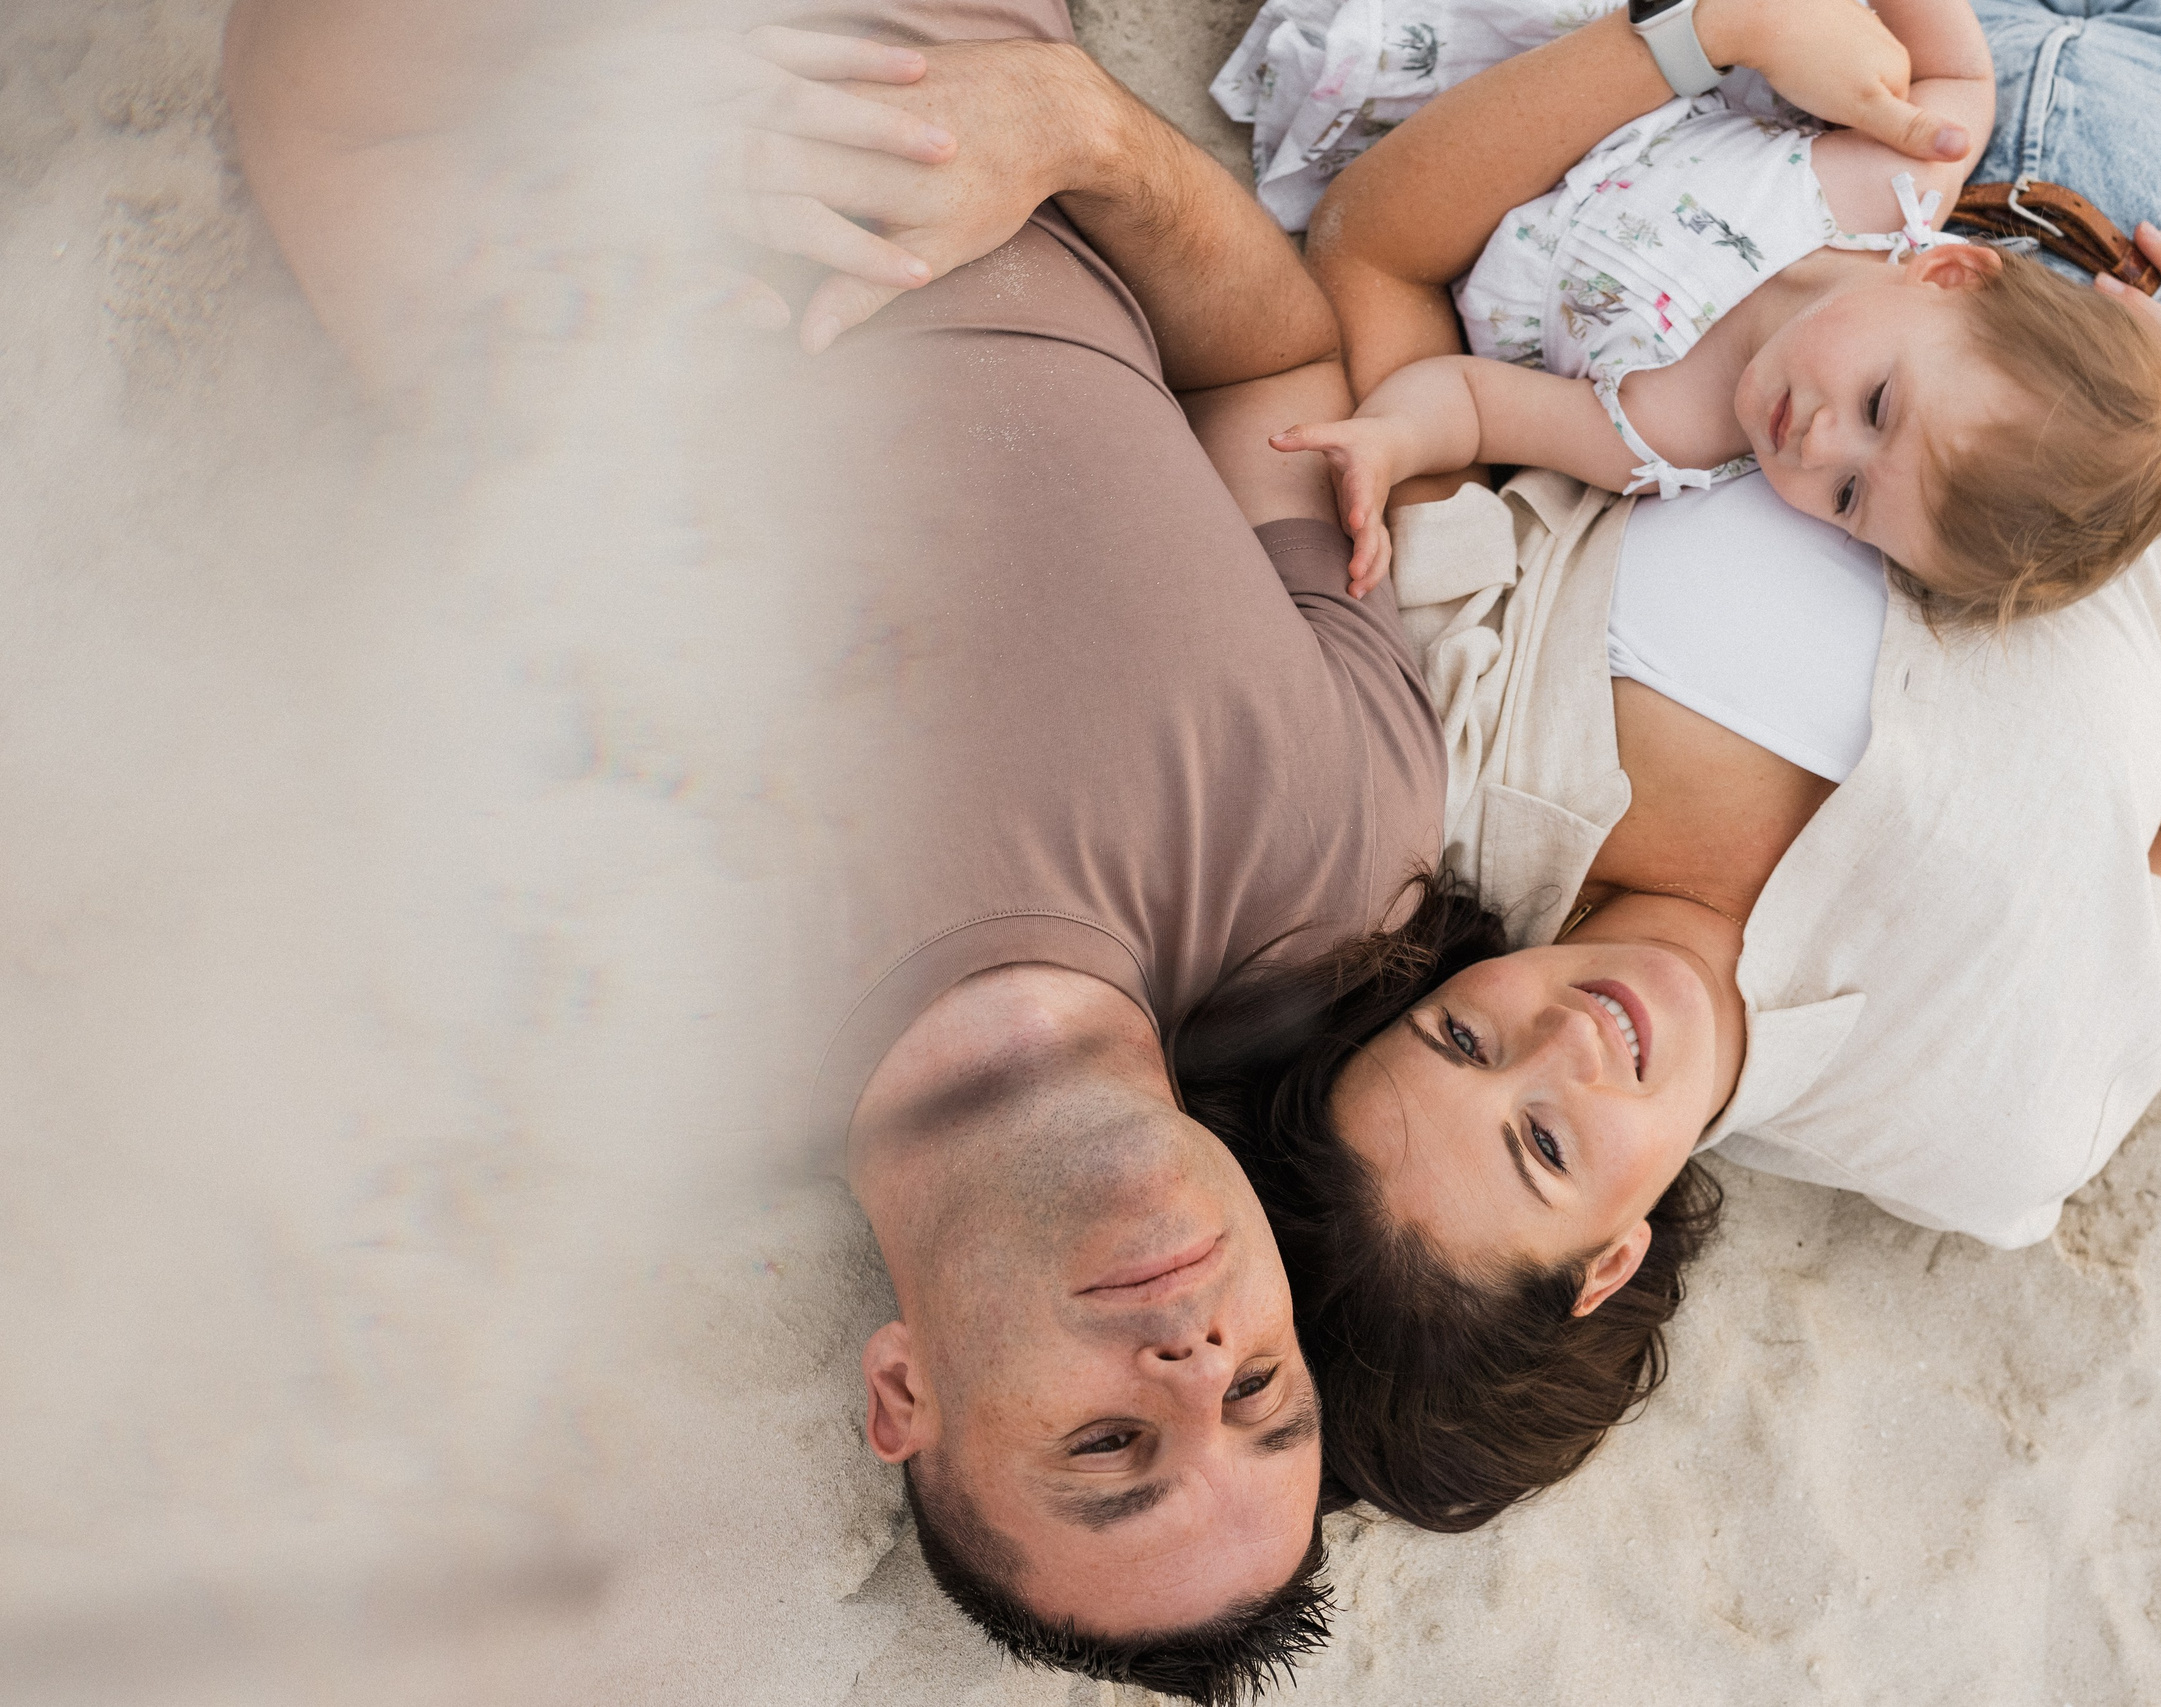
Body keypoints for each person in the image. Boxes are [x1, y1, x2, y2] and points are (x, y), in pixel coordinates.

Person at [225, 0, 1971, 1691]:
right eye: (1264, 1391)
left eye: (1111, 1440)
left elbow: (336, 127)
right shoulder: (1333, 844)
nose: (1194, 1357)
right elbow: (1280, 360)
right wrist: (1078, 136)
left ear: (902, 1394)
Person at [1176, 0, 2161, 1532]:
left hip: (1882, 83)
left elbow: (1380, 248)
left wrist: (1695, 33)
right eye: (1541, 1142)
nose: (1562, 1038)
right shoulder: (1973, 1115)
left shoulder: (1459, 746)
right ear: (1609, 1260)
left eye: (1462, 1037)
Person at [1269, 0, 2161, 627]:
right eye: (1879, 407)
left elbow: (1472, 403)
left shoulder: (1662, 432)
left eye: (1850, 501)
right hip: (1606, 48)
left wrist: (1390, 439)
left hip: (1465, 155)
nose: (1819, 447)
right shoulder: (1891, 183)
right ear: (1950, 274)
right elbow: (1962, 74)